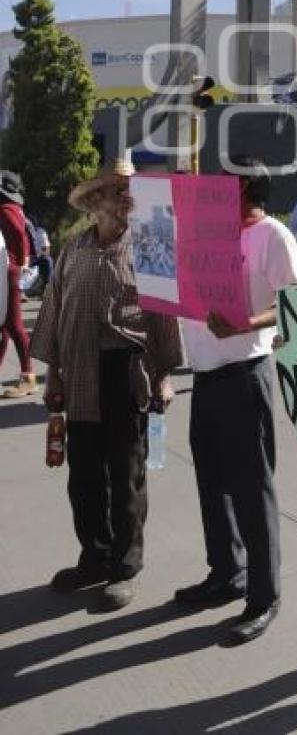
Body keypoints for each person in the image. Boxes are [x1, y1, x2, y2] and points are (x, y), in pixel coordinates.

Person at [29, 158, 182, 609]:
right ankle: (93, 556)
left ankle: (124, 565)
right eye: (115, 192)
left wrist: (165, 376)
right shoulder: (73, 250)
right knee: (84, 475)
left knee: (126, 473)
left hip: (126, 371)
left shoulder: (149, 246)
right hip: (78, 370)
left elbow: (163, 316)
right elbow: (54, 312)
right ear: (94, 202)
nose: (123, 200)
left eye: (127, 192)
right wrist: (52, 373)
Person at [175, 155, 297, 645]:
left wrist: (246, 323)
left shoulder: (272, 236)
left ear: (245, 186)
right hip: (205, 374)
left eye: (220, 181)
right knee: (212, 483)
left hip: (246, 374)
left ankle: (264, 596)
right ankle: (226, 572)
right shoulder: (211, 233)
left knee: (252, 488)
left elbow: (293, 302)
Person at [0, 169, 37, 398]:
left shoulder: (4, 209)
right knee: (3, 325)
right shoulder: (13, 208)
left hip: (8, 271)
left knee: (13, 325)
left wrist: (22, 261)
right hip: (9, 269)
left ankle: (28, 376)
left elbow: (17, 233)